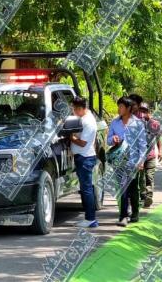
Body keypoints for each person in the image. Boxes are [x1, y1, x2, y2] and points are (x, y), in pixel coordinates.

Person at [107, 96, 147, 227]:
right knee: (122, 188)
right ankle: (123, 216)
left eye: (121, 107)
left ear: (129, 108)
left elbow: (142, 144)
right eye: (118, 106)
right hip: (119, 161)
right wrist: (113, 139)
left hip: (133, 161)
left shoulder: (138, 123)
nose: (119, 109)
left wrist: (141, 161)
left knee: (133, 188)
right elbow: (108, 140)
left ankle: (135, 212)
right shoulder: (114, 123)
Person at [70, 97, 99, 228]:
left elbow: (82, 143)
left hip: (85, 157)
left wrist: (71, 137)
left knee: (86, 189)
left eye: (75, 109)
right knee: (86, 188)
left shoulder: (88, 122)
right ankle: (89, 217)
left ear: (81, 108)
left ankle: (91, 219)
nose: (74, 111)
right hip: (83, 156)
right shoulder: (84, 118)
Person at [137, 102, 162, 208]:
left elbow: (158, 138)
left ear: (148, 112)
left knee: (149, 177)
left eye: (144, 111)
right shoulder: (137, 124)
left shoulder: (154, 124)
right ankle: (143, 195)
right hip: (139, 156)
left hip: (150, 155)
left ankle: (149, 197)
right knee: (141, 178)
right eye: (140, 111)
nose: (142, 113)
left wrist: (160, 151)